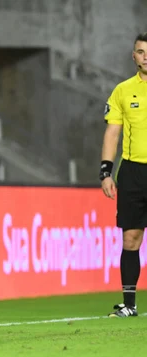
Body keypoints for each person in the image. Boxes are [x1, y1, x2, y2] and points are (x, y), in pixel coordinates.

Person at [100, 32, 147, 318]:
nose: (146, 56)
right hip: (132, 172)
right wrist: (106, 171)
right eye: (141, 52)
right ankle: (129, 305)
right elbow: (112, 132)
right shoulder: (122, 90)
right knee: (130, 238)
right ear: (134, 56)